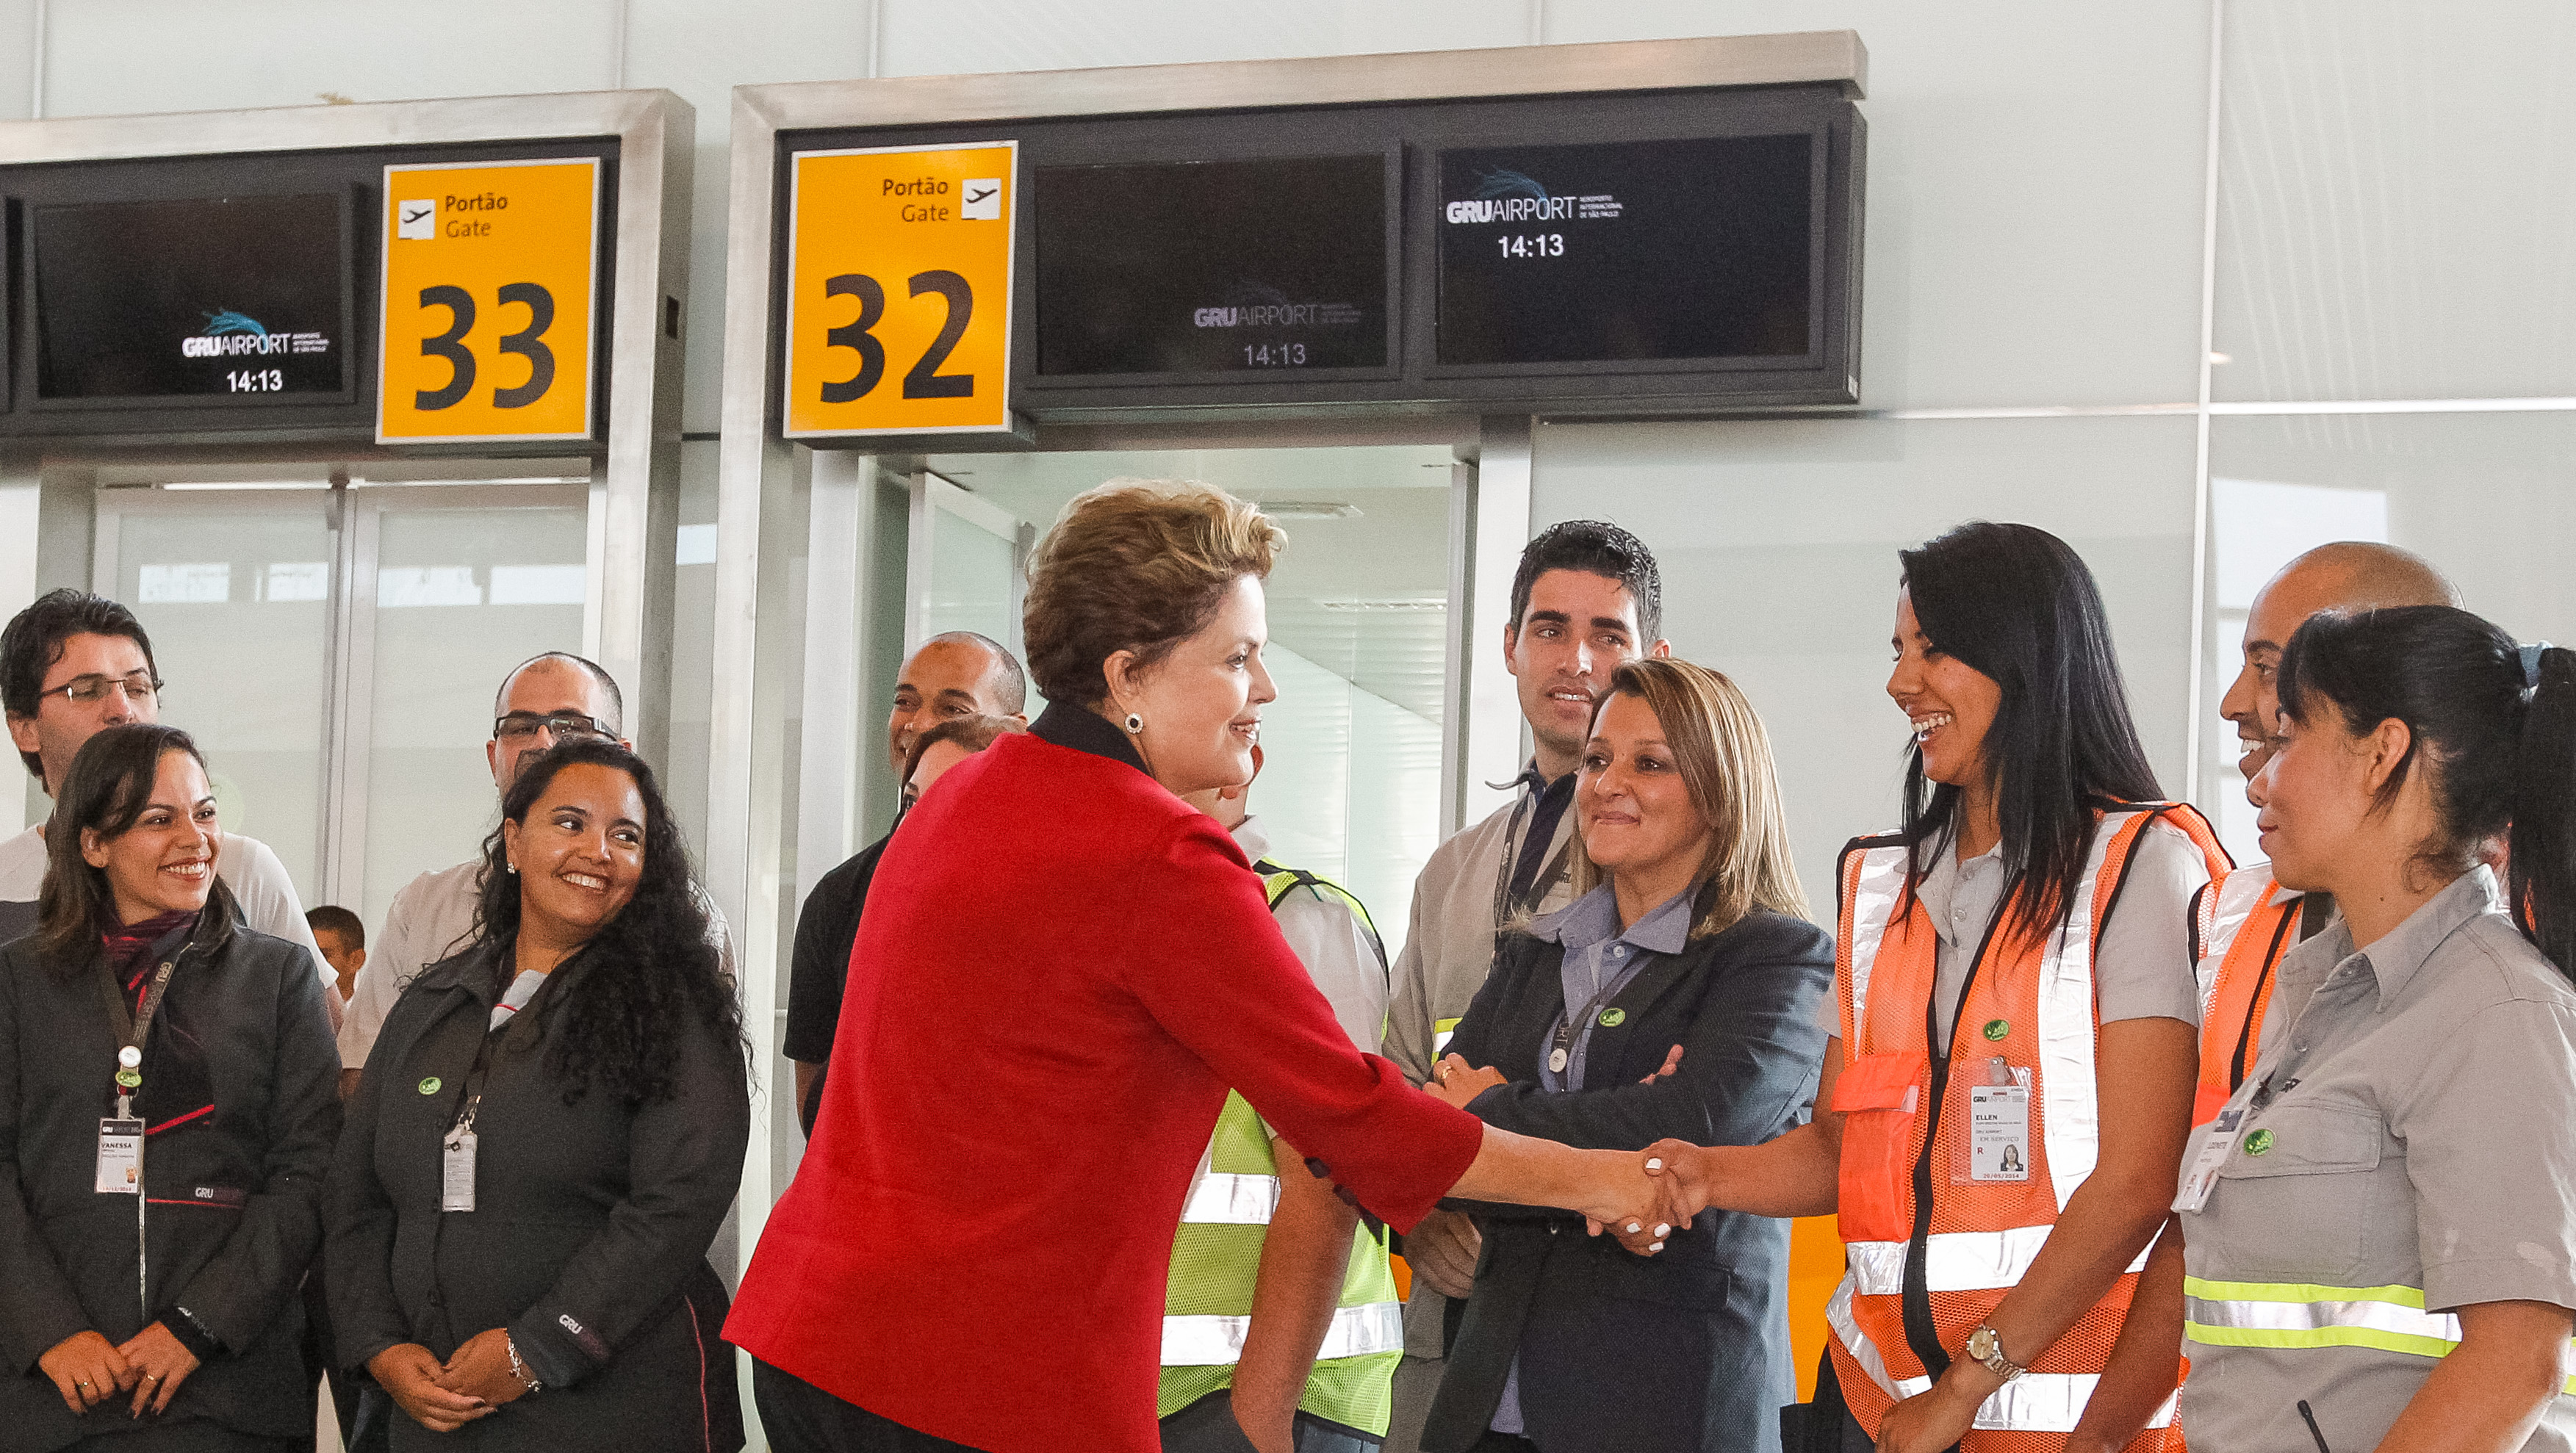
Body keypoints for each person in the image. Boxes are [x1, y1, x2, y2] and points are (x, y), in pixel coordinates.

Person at [725, 479, 1672, 1453]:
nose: (1263, 689)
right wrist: (1604, 1179)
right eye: (1237, 658)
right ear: (1128, 677)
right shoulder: (1156, 854)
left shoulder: (965, 798)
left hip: (815, 1343)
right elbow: (1354, 1119)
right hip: (973, 1382)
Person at [1631, 522, 2231, 1453]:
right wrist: (1706, 1174)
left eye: (1933, 649)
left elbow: (2136, 1182)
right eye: (1898, 649)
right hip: (1876, 1400)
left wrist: (1967, 1384)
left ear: (2026, 662)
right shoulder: (1883, 891)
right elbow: (1843, 1147)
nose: (1899, 681)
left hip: (2058, 1415)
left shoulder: (2139, 867)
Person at [2162, 606, 2576, 1452]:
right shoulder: (2336, 996)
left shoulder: (2493, 1011)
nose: (2258, 779)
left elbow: (2515, 1360)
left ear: (2382, 751)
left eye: (2289, 738)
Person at [1418, 659, 1832, 1453]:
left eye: (1649, 763)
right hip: (1488, 1406)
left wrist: (1490, 1112)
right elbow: (1423, 1124)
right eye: (1598, 758)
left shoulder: (1779, 959)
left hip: (1667, 1405)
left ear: (1720, 791)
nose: (1607, 783)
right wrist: (1600, 1160)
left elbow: (1687, 1125)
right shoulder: (1534, 950)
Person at [325, 739, 749, 1453]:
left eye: (626, 834)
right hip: (432, 1407)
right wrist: (379, 1345)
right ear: (514, 840)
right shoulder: (433, 997)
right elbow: (355, 1192)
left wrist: (535, 1349)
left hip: (608, 1410)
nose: (598, 850)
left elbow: (677, 1203)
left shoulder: (675, 1007)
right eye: (570, 823)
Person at [1379, 522, 1669, 1452]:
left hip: (1598, 1326)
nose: (1575, 659)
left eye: (1607, 635)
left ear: (1653, 658)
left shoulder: (1681, 878)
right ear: (1508, 646)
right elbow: (1387, 1083)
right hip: (1449, 1326)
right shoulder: (1451, 873)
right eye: (1548, 628)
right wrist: (1416, 1215)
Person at [0, 724, 341, 1451]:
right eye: (160, 819)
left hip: (229, 1387)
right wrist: (53, 1332)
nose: (197, 839)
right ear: (93, 843)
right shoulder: (16, 979)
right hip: (53, 1393)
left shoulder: (277, 976)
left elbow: (307, 1170)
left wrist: (198, 1326)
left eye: (206, 812)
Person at [334, 651, 733, 1095]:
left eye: (570, 726)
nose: (543, 743)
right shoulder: (425, 907)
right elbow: (364, 1075)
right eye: (521, 727)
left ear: (621, 757)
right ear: (493, 757)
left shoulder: (684, 915)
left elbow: (703, 1099)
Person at [1160, 744, 1400, 1453]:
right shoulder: (1124, 914)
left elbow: (1328, 1182)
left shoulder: (1303, 920)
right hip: (1137, 1393)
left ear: (1241, 766)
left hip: (1275, 1404)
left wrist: (1257, 1422)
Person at [2191, 543, 2458, 1125]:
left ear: (2385, 735)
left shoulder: (2523, 940)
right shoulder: (2228, 913)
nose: (2231, 703)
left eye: (2268, 669)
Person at [0, 590, 325, 975]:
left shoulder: (239, 869)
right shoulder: (7, 880)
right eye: (87, 691)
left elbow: (323, 1030)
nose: (123, 711)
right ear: (24, 728)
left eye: (138, 688)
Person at [786, 635, 1029, 1136]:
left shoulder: (1051, 893)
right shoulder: (840, 897)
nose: (917, 725)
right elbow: (816, 1108)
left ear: (1014, 731)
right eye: (905, 702)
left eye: (952, 708)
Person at [308, 906, 366, 1036]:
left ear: (356, 960)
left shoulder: (376, 1020)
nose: (312, 964)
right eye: (306, 955)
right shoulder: (284, 1016)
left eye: (323, 956)